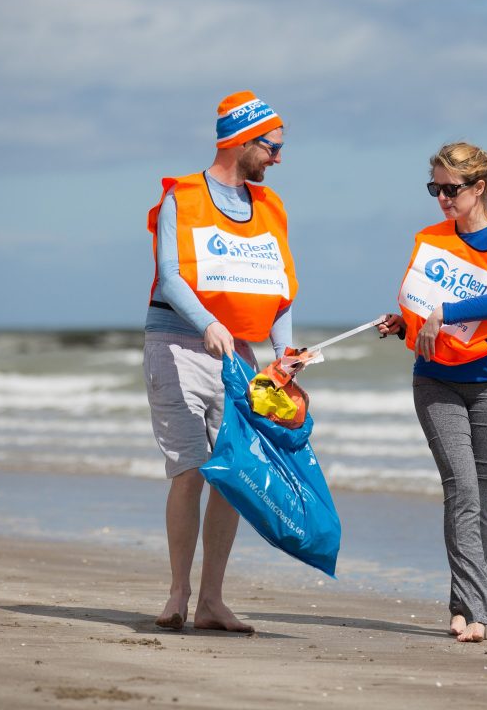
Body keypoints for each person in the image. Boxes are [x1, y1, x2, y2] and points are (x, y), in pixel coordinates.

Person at [376, 141, 487, 643]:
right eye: (435, 188)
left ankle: (464, 606)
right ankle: (481, 610)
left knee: (481, 497)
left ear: (478, 188)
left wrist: (440, 314)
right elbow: (422, 304)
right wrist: (405, 322)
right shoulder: (432, 240)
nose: (441, 199)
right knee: (463, 489)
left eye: (451, 189)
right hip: (436, 380)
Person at [143, 91, 297, 634]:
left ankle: (212, 599)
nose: (278, 158)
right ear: (241, 141)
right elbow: (170, 274)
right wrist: (207, 323)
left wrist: (285, 353)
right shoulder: (181, 198)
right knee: (189, 471)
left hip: (241, 355)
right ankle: (178, 593)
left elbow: (278, 292)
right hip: (179, 345)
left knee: (231, 476)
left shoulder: (271, 207)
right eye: (272, 147)